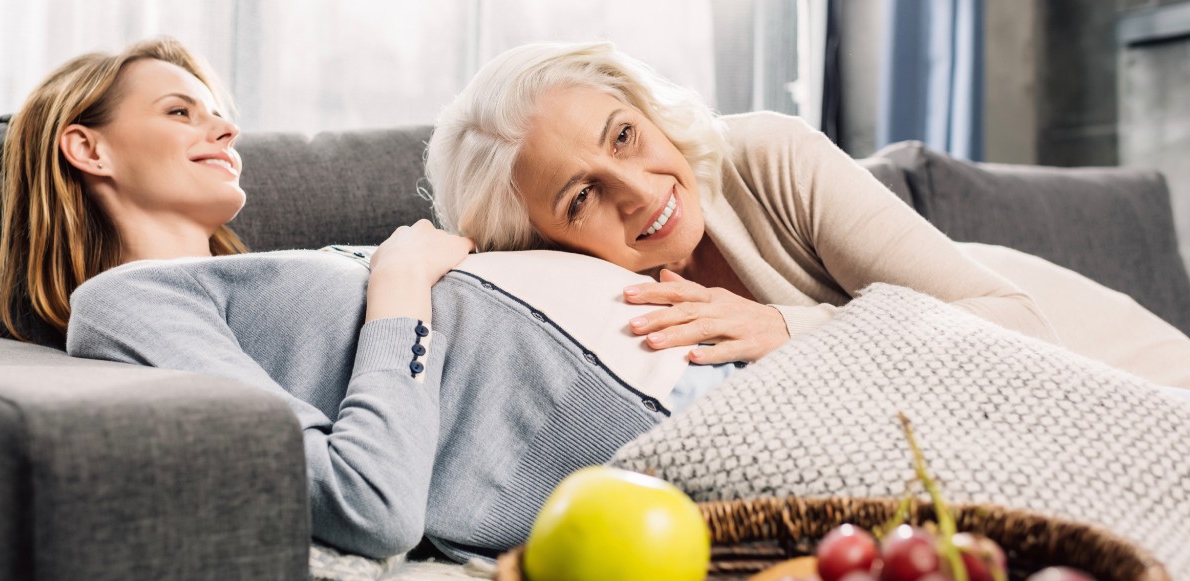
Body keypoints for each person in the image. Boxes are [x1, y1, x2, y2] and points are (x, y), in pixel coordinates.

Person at [0, 37, 721, 563]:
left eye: (215, 110)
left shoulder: (263, 278)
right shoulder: (124, 303)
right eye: (181, 112)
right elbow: (371, 504)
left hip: (697, 369)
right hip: (666, 418)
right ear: (88, 149)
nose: (224, 127)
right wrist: (400, 287)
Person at [424, 41, 1190, 387]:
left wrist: (791, 329)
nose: (639, 188)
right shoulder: (576, 305)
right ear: (541, 243)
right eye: (582, 196)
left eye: (624, 134)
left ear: (646, 110)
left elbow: (1016, 324)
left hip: (1109, 355)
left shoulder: (766, 156)